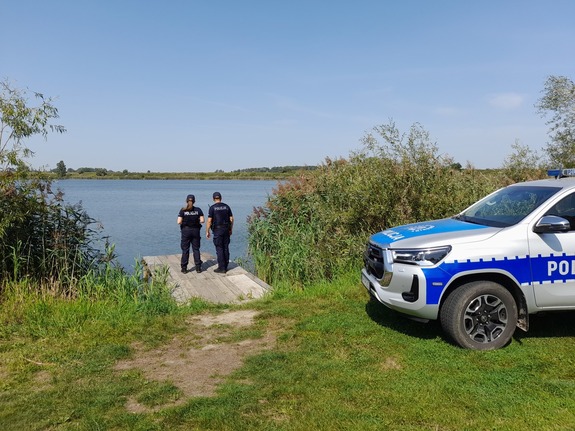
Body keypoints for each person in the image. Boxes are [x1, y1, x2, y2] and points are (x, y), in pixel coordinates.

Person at [206, 191, 233, 273]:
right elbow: (231, 219)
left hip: (217, 230)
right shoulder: (226, 206)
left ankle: (221, 268)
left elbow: (209, 221)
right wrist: (230, 229)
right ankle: (226, 265)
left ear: (213, 199)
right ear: (221, 198)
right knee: (225, 247)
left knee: (219, 248)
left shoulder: (212, 208)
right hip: (226, 229)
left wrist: (207, 231)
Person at [177, 194, 205, 273]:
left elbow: (178, 222)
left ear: (186, 201)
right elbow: (202, 221)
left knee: (185, 249)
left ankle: (184, 268)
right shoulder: (198, 210)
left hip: (186, 231)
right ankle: (198, 267)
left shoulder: (183, 210)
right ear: (194, 201)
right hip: (196, 231)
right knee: (196, 249)